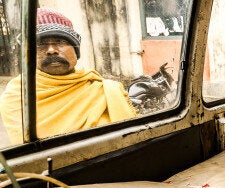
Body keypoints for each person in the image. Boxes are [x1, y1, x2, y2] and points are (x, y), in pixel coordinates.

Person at [0, 8, 137, 145]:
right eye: (40, 43)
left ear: (75, 50)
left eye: (60, 41)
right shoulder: (18, 95)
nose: (51, 50)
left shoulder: (103, 88)